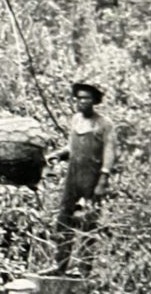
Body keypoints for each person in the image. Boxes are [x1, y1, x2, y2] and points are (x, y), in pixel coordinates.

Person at [44, 82, 116, 276]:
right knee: (64, 219)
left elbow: (109, 152)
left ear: (94, 101)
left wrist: (103, 178)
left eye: (87, 98)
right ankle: (60, 264)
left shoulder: (104, 124)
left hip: (92, 178)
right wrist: (56, 155)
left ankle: (84, 269)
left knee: (88, 222)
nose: (82, 101)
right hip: (73, 177)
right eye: (79, 98)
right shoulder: (75, 120)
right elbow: (71, 148)